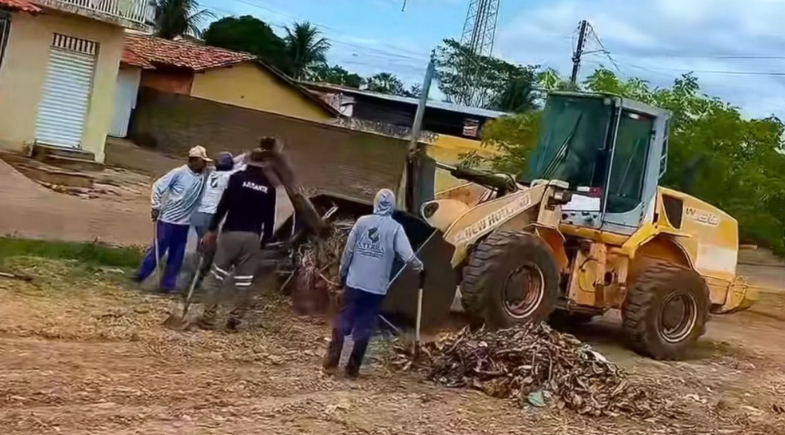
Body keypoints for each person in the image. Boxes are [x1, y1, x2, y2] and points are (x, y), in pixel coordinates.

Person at [323, 189, 424, 378]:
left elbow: (348, 251)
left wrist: (343, 274)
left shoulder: (362, 222)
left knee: (343, 320)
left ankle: (331, 363)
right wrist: (419, 266)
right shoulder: (395, 229)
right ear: (392, 206)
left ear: (375, 203)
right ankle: (352, 369)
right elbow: (408, 256)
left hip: (354, 283)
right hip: (376, 289)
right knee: (365, 326)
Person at [198, 148, 277, 331]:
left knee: (216, 278)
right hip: (253, 237)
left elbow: (223, 206)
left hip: (231, 234)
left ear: (248, 162)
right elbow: (269, 219)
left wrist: (212, 229)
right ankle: (233, 321)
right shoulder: (269, 188)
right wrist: (264, 241)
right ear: (265, 165)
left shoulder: (236, 179)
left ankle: (208, 319)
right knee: (244, 283)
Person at [132, 146, 211, 293]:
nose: (205, 164)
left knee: (177, 254)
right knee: (159, 248)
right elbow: (158, 186)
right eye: (203, 161)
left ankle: (168, 284)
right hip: (167, 219)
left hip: (185, 222)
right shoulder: (178, 173)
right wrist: (156, 206)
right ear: (194, 160)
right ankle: (141, 274)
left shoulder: (204, 176)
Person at [190, 152, 246, 288]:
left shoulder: (212, 173)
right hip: (210, 215)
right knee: (209, 251)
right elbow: (243, 167)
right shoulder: (229, 176)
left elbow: (234, 164)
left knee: (201, 247)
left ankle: (193, 278)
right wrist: (248, 156)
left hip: (199, 214)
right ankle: (196, 281)